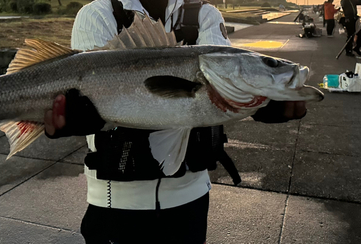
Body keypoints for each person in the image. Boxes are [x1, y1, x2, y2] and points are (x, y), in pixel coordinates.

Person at [45, 0, 308, 243]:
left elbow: (219, 89)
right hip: (115, 204)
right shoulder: (98, 13)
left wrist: (259, 103)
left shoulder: (205, 14)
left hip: (190, 199)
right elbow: (81, 78)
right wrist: (72, 117)